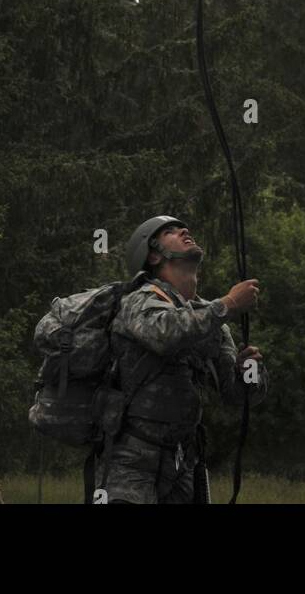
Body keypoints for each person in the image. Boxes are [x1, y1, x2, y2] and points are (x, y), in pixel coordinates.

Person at [101, 215, 266, 503]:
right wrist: (228, 304)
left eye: (183, 228)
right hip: (132, 465)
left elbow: (238, 396)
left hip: (183, 465)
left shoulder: (211, 320)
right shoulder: (139, 300)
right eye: (170, 232)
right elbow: (167, 333)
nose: (184, 231)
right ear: (153, 255)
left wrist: (250, 371)